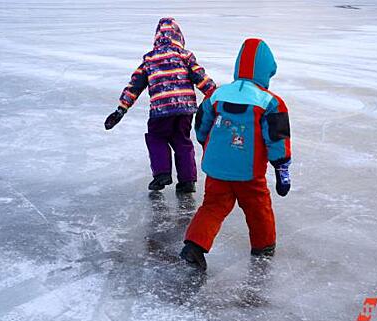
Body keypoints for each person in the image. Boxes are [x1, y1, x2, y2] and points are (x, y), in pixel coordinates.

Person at [180, 38, 292, 270]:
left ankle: (194, 245)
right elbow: (277, 138)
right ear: (266, 71)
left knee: (212, 207)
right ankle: (264, 246)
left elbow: (201, 124)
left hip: (216, 168)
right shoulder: (270, 102)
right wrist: (282, 169)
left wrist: (208, 146)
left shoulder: (218, 95)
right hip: (248, 173)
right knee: (258, 207)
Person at [104, 17, 216, 192]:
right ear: (179, 37)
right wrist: (215, 96)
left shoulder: (149, 59)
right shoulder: (185, 56)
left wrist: (121, 108)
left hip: (161, 110)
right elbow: (201, 78)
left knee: (157, 138)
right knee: (182, 141)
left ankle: (162, 174)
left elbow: (134, 86)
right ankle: (187, 181)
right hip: (185, 110)